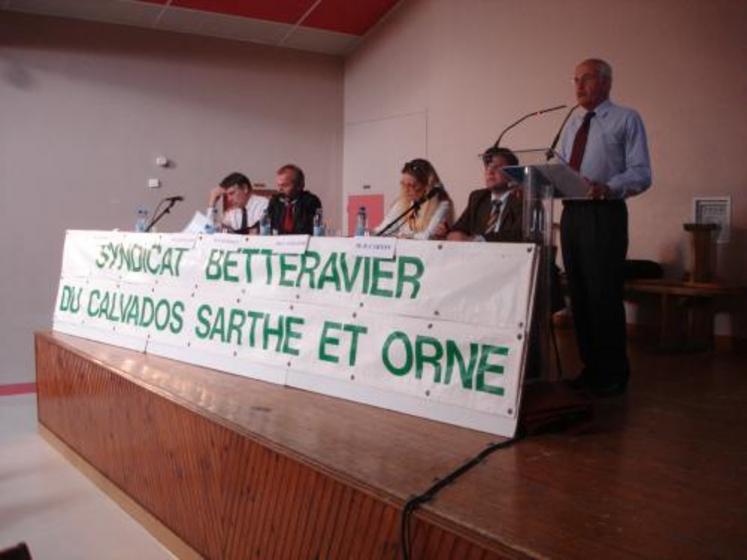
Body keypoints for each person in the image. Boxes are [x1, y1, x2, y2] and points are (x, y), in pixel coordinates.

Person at [559, 58, 652, 397]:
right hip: (572, 214)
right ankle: (590, 368)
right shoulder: (572, 123)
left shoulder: (627, 119)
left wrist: (608, 187)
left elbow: (641, 173)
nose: (578, 86)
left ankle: (613, 372)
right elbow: (564, 167)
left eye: (585, 79)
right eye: (575, 79)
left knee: (602, 293)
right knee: (580, 295)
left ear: (605, 82)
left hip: (604, 213)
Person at [446, 146, 522, 242]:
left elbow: (518, 234)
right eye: (487, 167)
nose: (490, 172)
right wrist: (451, 234)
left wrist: (480, 240)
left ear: (512, 172)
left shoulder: (521, 199)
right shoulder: (478, 197)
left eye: (497, 167)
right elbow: (458, 229)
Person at [374, 158, 453, 239]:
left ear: (427, 187)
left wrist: (405, 237)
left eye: (412, 185)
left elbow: (427, 236)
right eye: (403, 185)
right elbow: (383, 229)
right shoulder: (403, 202)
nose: (406, 190)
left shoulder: (442, 205)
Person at [267, 164, 322, 235]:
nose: (279, 189)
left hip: (302, 242)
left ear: (299, 185)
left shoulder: (311, 201)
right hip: (278, 242)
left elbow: (307, 229)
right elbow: (267, 224)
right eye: (279, 185)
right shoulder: (275, 201)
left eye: (285, 185)